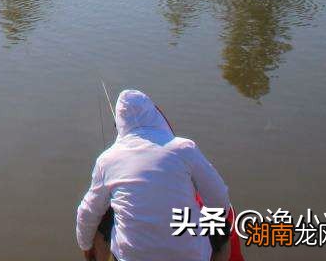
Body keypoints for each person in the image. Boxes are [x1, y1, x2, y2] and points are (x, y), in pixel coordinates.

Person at [76, 89, 231, 261]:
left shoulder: (106, 160)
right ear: (154, 114)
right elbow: (220, 200)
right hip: (193, 256)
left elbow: (86, 213)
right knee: (221, 225)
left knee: (101, 217)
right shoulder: (184, 148)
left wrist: (86, 247)